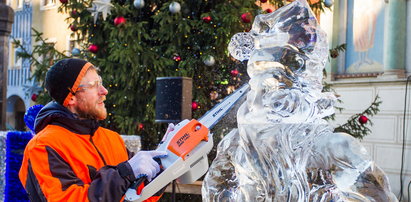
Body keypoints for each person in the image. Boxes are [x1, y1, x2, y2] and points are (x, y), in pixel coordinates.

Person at [19, 58, 168, 201]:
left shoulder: (112, 139)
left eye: (101, 83)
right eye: (93, 85)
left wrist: (163, 164)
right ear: (70, 97)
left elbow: (139, 195)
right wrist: (124, 174)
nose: (104, 91)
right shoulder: (44, 146)